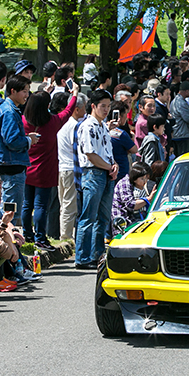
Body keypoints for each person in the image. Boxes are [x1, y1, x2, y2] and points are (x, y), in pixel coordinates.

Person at [22, 83, 79, 251]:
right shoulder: (52, 123)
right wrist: (74, 93)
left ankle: (27, 234)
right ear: (47, 106)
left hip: (27, 169)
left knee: (27, 204)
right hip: (45, 170)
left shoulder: (24, 121)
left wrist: (43, 93)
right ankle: (40, 237)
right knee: (41, 206)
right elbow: (68, 112)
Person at [75, 90, 117, 269]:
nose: (106, 109)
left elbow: (106, 152)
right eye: (103, 106)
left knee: (103, 218)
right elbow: (90, 154)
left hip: (106, 173)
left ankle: (97, 254)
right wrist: (109, 167)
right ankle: (83, 257)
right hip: (93, 173)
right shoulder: (88, 126)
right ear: (93, 106)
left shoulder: (102, 126)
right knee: (88, 216)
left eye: (108, 106)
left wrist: (113, 166)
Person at [0, 75, 39, 226]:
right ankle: (9, 239)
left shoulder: (9, 109)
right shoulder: (9, 112)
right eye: (24, 91)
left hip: (11, 162)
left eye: (28, 91)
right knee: (11, 209)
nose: (27, 95)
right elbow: (12, 141)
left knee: (10, 205)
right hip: (12, 165)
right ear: (13, 91)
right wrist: (28, 140)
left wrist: (26, 137)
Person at [56, 92, 88, 241]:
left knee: (65, 205)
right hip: (71, 169)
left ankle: (65, 236)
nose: (86, 110)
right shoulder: (75, 126)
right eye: (85, 107)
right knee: (69, 207)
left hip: (62, 167)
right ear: (77, 109)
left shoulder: (64, 123)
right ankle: (66, 238)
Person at [111, 164, 155, 235]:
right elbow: (131, 205)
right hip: (122, 220)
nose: (146, 181)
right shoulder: (125, 183)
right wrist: (149, 199)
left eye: (147, 178)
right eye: (143, 178)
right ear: (135, 177)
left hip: (132, 217)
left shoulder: (137, 185)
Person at [170, 81, 189, 156]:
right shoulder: (181, 102)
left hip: (177, 133)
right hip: (182, 134)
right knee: (183, 156)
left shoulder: (175, 100)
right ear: (186, 91)